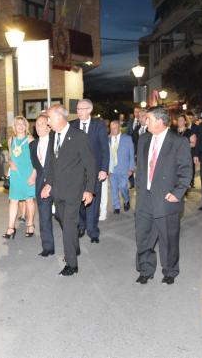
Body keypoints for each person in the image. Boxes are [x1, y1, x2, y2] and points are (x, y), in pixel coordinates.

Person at [134, 107, 192, 285]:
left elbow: (186, 170)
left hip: (166, 198)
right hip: (145, 198)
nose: (145, 121)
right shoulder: (144, 139)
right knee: (143, 237)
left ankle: (170, 271)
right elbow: (141, 167)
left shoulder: (178, 142)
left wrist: (178, 193)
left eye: (148, 119)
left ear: (160, 122)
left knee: (168, 237)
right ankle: (145, 269)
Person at [41, 105, 96, 276]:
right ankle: (75, 245)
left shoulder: (79, 136)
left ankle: (71, 263)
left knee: (69, 225)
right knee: (63, 220)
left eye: (49, 118)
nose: (47, 122)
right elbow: (52, 164)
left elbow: (90, 165)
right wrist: (48, 183)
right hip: (58, 189)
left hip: (74, 189)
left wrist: (89, 190)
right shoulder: (52, 136)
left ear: (59, 117)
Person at [70, 99, 109, 243]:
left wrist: (104, 169)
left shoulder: (98, 125)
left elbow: (105, 149)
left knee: (93, 200)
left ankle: (93, 231)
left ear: (89, 110)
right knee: (78, 200)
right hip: (77, 171)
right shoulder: (72, 125)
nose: (79, 111)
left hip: (95, 170)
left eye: (82, 109)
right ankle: (81, 225)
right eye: (78, 109)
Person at [4, 116, 36, 238]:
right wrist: (11, 162)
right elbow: (10, 156)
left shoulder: (30, 139)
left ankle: (30, 225)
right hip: (16, 175)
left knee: (29, 200)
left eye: (23, 124)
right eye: (18, 124)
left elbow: (36, 158)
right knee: (13, 200)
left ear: (26, 126)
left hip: (28, 173)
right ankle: (11, 228)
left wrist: (34, 174)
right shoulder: (11, 140)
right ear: (14, 126)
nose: (21, 126)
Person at [30, 114, 55, 256]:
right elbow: (36, 166)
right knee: (44, 216)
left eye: (42, 124)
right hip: (40, 185)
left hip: (57, 183)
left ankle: (72, 244)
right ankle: (48, 247)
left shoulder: (56, 141)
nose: (38, 127)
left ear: (49, 127)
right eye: (37, 125)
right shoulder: (32, 145)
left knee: (62, 216)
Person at [108, 120, 134, 214]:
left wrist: (131, 168)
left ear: (119, 128)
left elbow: (131, 154)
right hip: (112, 169)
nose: (113, 130)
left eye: (115, 128)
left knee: (123, 186)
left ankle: (126, 200)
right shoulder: (108, 139)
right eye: (112, 128)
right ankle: (116, 206)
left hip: (124, 169)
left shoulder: (127, 138)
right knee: (114, 188)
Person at [176, 114, 197, 187]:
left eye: (181, 120)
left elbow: (193, 144)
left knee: (185, 172)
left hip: (186, 155)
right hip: (175, 156)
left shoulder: (189, 132)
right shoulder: (173, 131)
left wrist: (183, 146)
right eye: (178, 120)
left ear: (185, 122)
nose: (179, 122)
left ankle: (187, 184)